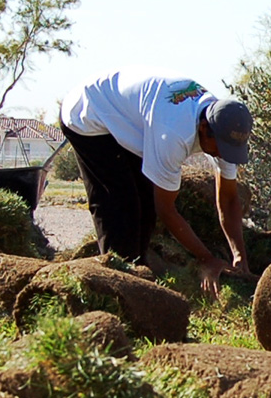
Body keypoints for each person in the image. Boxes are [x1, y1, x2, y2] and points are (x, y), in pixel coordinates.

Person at [58, 70, 256, 293]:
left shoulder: (226, 131)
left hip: (134, 120)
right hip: (88, 113)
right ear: (203, 129)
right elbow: (166, 209)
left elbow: (229, 201)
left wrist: (239, 257)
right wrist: (206, 259)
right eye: (221, 149)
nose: (223, 155)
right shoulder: (173, 134)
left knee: (144, 204)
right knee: (120, 204)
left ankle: (138, 273)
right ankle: (115, 287)